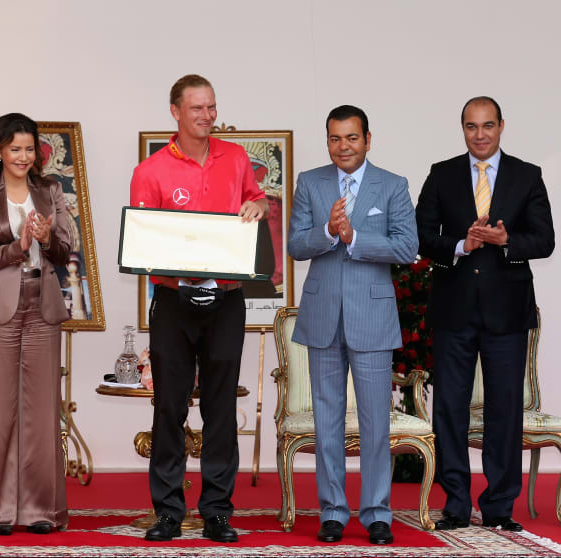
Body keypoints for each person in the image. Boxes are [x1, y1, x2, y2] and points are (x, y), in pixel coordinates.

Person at [129, 74, 267, 543]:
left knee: (220, 407)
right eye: (196, 108)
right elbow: (144, 240)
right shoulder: (150, 171)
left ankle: (217, 512)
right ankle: (168, 512)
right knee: (169, 406)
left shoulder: (236, 157)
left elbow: (256, 200)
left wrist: (259, 206)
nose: (207, 116)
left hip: (226, 300)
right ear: (175, 111)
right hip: (174, 302)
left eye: (211, 107)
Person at [416, 96, 554, 532]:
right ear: (463, 129)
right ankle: (456, 502)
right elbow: (422, 236)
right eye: (472, 126)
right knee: (449, 409)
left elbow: (545, 240)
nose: (480, 135)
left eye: (488, 125)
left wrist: (505, 240)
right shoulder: (441, 174)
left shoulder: (527, 175)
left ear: (501, 127)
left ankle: (498, 506)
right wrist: (463, 244)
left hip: (507, 312)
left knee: (505, 410)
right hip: (453, 310)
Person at [287, 105, 418, 544]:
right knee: (326, 420)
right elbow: (295, 245)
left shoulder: (393, 185)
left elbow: (407, 247)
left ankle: (378, 513)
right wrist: (327, 231)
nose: (343, 146)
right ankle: (332, 512)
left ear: (367, 139)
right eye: (335, 138)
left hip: (373, 319)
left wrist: (355, 238)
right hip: (323, 316)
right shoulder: (310, 182)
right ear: (327, 140)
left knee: (375, 422)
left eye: (351, 137)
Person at [0, 113, 74, 535]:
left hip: (43, 305)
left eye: (29, 149)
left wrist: (45, 239)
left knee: (42, 412)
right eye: (15, 149)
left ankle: (40, 510)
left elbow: (65, 250)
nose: (23, 157)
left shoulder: (50, 190)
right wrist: (19, 245)